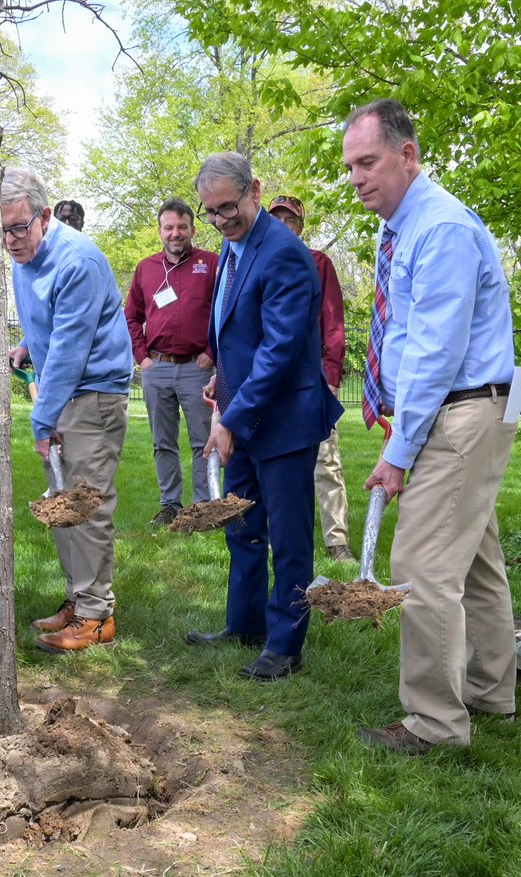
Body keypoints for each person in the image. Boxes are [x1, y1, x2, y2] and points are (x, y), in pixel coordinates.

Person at [343, 100, 517, 754]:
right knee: (474, 560)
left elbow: (434, 350)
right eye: (350, 167)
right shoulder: (409, 228)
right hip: (475, 403)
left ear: (407, 155)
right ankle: (493, 691)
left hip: (464, 407)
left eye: (369, 162)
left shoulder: (437, 228)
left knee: (418, 562)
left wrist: (399, 449)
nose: (357, 178)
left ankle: (436, 724)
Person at [184, 152, 342, 682]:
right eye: (210, 212)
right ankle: (246, 623)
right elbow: (237, 331)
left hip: (285, 419)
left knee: (289, 535)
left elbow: (279, 350)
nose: (220, 220)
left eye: (228, 207)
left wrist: (231, 416)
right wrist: (221, 381)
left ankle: (285, 644)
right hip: (244, 411)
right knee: (242, 525)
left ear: (254, 189)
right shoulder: (232, 247)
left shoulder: (284, 253)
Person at [3, 167, 133, 654]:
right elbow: (49, 325)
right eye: (1, 231)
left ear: (43, 215)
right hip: (63, 388)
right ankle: (78, 601)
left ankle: (98, 617)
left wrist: (41, 420)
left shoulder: (77, 261)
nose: (10, 241)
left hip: (91, 394)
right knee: (62, 502)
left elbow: (71, 349)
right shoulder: (25, 255)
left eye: (18, 228)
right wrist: (25, 345)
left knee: (86, 503)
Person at [267, 194, 355, 563]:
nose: (283, 226)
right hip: (272, 378)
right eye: (277, 219)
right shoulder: (259, 262)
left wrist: (331, 374)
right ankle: (276, 536)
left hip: (312, 377)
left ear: (301, 227)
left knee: (326, 460)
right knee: (276, 461)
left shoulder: (319, 263)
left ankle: (337, 541)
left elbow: (333, 324)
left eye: (291, 221)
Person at [124, 198, 218, 524]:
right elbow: (131, 318)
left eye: (182, 227)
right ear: (160, 231)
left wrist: (212, 351)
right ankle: (170, 506)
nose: (175, 233)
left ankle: (204, 509)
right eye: (169, 227)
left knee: (203, 442)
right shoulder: (146, 269)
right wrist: (142, 358)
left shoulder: (211, 264)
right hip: (157, 368)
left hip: (198, 368)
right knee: (163, 442)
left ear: (192, 228)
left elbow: (225, 313)